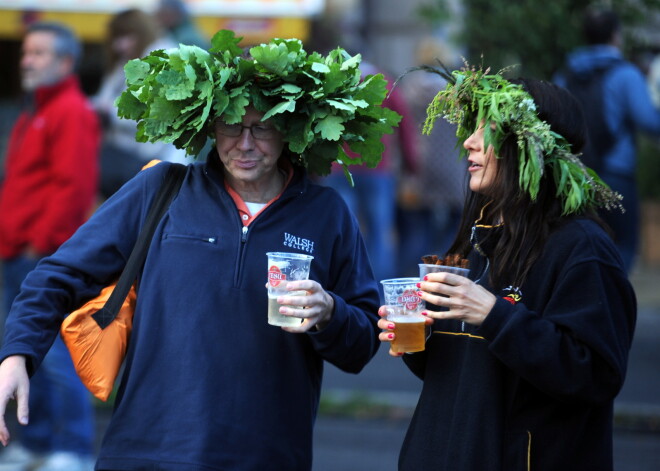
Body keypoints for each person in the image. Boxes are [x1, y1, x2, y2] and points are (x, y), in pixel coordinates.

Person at [0, 30, 395, 470]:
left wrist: (330, 314)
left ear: (290, 128)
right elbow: (57, 276)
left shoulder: (326, 214)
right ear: (209, 123)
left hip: (266, 456)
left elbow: (361, 346)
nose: (244, 144)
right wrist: (17, 353)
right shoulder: (161, 190)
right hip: (146, 451)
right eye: (230, 125)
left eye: (262, 126)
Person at [378, 67, 636, 470]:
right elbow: (462, 374)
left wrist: (494, 315)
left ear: (533, 146)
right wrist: (420, 337)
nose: (469, 142)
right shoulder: (478, 237)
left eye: (488, 130)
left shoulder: (582, 248)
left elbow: (595, 375)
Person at [0, 22, 98, 471]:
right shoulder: (37, 109)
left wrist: (41, 246)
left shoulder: (69, 111)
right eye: (26, 52)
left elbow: (73, 188)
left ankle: (71, 450)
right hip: (18, 253)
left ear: (65, 62)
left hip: (41, 256)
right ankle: (37, 445)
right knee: (25, 352)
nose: (26, 60)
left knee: (57, 357)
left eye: (37, 53)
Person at [554, 6, 660, 273]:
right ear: (616, 35)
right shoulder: (626, 74)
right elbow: (649, 122)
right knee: (622, 246)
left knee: (579, 245)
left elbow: (552, 118)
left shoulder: (565, 73)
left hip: (573, 176)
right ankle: (613, 307)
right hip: (616, 175)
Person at [323, 59, 419, 282]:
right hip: (377, 170)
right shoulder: (385, 84)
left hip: (340, 169)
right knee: (380, 232)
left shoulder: (337, 82)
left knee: (342, 230)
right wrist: (411, 166)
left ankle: (343, 283)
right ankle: (379, 288)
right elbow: (404, 126)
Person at [93, 8, 188, 199]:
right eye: (116, 39)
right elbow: (104, 98)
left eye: (125, 37)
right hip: (126, 156)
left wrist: (109, 113)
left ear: (141, 33)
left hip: (151, 161)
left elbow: (156, 118)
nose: (119, 45)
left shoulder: (165, 61)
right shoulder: (127, 60)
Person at [396, 37, 465, 276]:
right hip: (452, 168)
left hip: (419, 168)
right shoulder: (454, 91)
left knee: (417, 229)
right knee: (456, 226)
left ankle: (410, 281)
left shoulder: (409, 90)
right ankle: (445, 273)